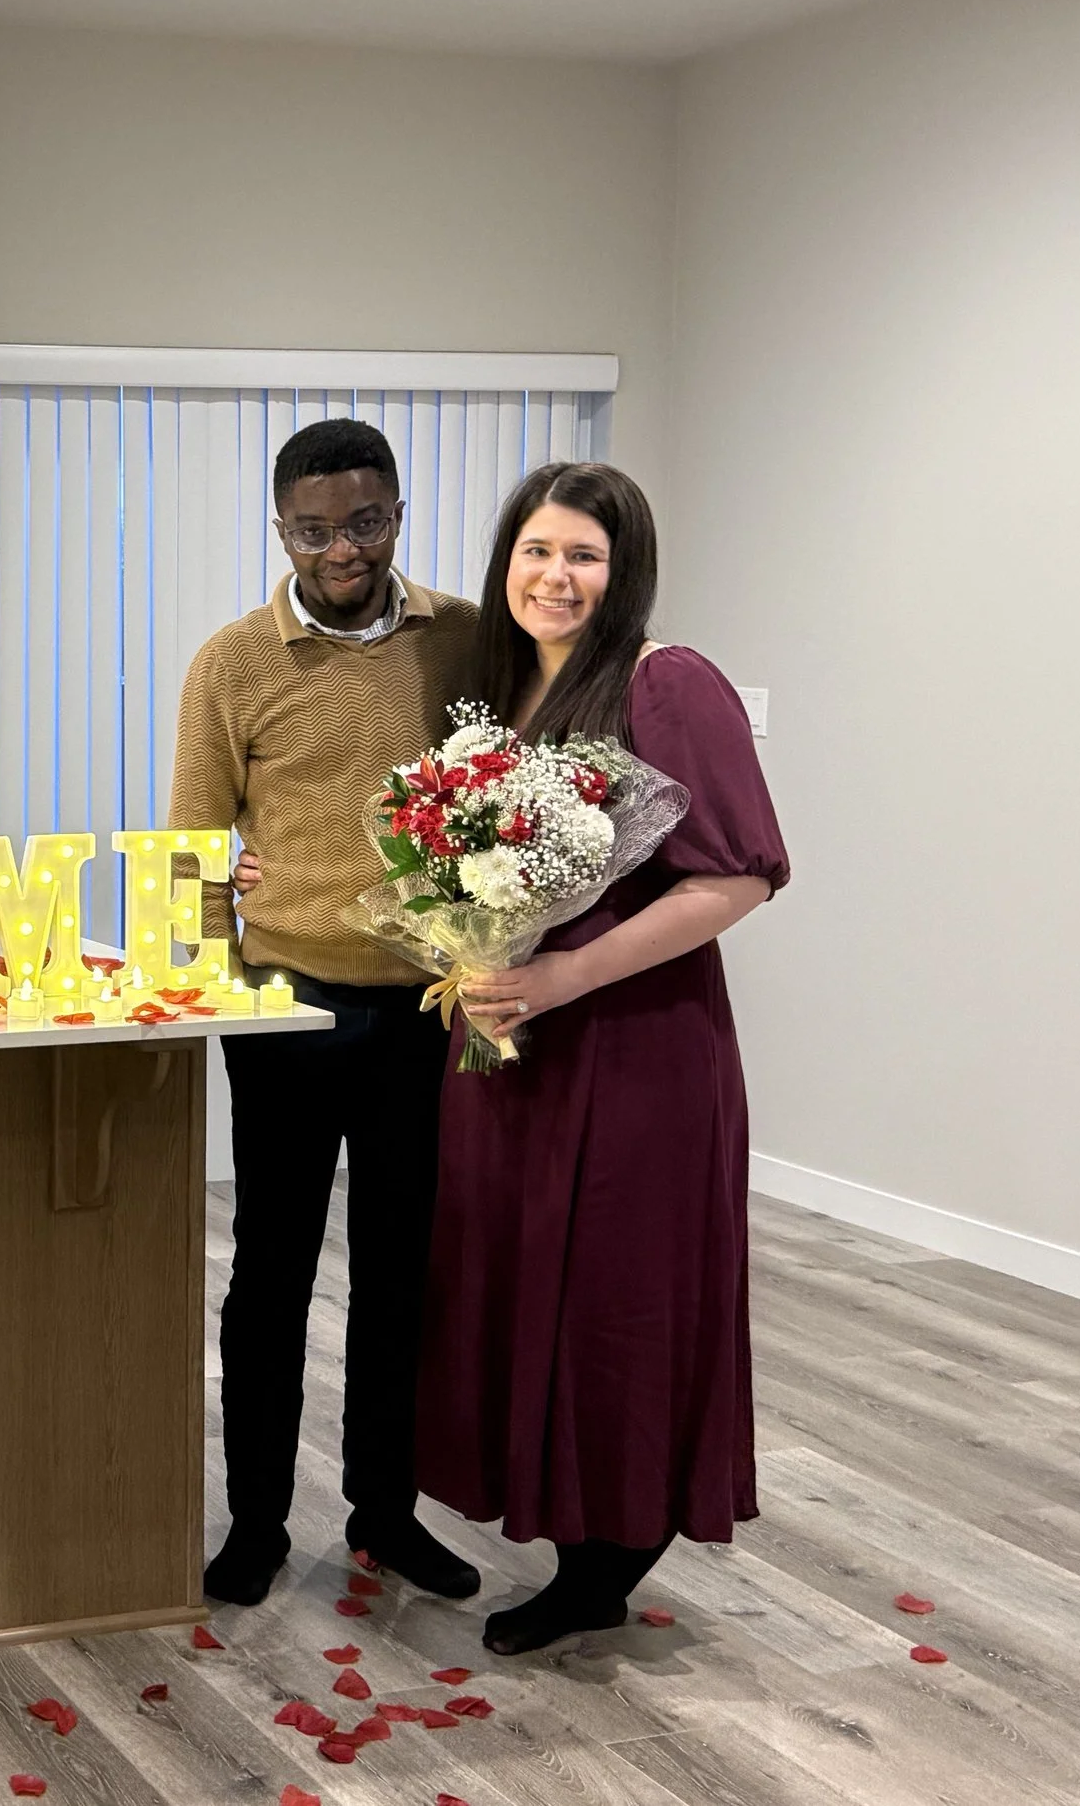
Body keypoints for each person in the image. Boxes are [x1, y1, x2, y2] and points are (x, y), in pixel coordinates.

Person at [414, 461, 788, 1654]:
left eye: (583, 555)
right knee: (534, 1282)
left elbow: (737, 875)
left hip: (634, 1051)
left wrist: (567, 974)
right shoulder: (505, 693)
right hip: (522, 1042)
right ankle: (569, 1519)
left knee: (619, 1295)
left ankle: (609, 1556)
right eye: (536, 551)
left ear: (623, 572)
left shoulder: (664, 683)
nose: (555, 577)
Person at [169, 418, 483, 1607]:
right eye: (313, 530)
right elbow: (193, 847)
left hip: (428, 1007)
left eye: (363, 522)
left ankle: (383, 1514)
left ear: (396, 513)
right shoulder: (232, 663)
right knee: (272, 1276)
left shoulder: (462, 640)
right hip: (286, 1010)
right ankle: (254, 1522)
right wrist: (212, 988)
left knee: (403, 1272)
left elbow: (506, 792)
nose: (340, 550)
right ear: (280, 530)